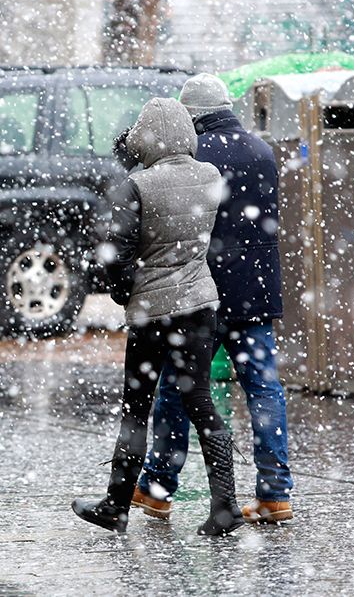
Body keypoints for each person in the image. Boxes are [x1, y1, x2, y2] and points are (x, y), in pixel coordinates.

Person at [71, 97, 243, 536]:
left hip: (153, 313)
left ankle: (116, 504)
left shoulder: (137, 185)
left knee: (137, 408)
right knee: (200, 403)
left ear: (146, 138)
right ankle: (225, 506)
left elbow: (118, 255)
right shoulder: (209, 175)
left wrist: (123, 291)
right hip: (200, 306)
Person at [131, 73, 294, 524]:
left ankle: (158, 488)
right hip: (256, 292)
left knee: (177, 387)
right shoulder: (263, 150)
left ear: (192, 116)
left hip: (202, 292)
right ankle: (275, 493)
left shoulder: (195, 156)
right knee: (263, 387)